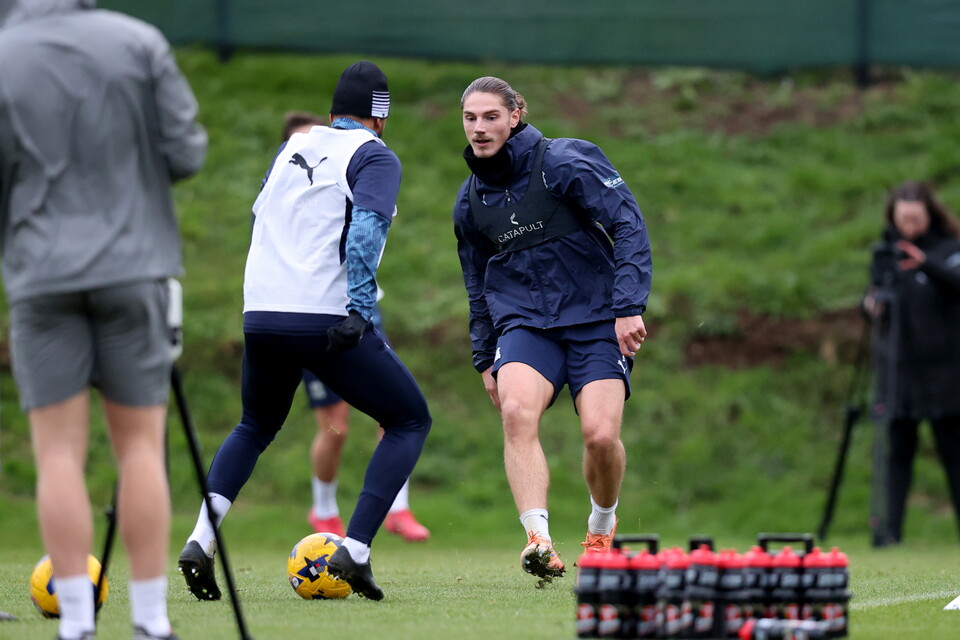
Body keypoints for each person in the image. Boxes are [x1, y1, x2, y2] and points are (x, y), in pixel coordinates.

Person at [178, 60, 431, 602]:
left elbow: (261, 219)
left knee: (254, 425)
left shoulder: (291, 147)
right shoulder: (375, 155)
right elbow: (366, 230)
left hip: (262, 312)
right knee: (409, 419)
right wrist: (359, 307)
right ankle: (356, 550)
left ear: (334, 110)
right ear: (380, 118)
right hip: (323, 314)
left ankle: (201, 538)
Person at [0, 1, 207, 638]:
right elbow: (186, 152)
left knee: (57, 453)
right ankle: (150, 621)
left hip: (41, 274)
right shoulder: (139, 40)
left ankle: (77, 626)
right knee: (140, 446)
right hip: (133, 265)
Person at [452, 77, 652, 583]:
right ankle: (538, 540)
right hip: (525, 324)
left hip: (594, 318)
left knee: (601, 436)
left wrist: (627, 306)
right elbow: (476, 284)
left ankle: (602, 527)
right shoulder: (470, 200)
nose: (479, 128)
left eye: (490, 116)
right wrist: (483, 357)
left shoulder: (564, 161)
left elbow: (628, 222)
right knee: (517, 412)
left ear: (515, 114)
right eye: (471, 118)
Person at [278, 112, 430, 542]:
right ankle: (323, 511)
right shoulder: (281, 200)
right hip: (308, 315)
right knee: (335, 426)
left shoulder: (347, 176)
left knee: (395, 411)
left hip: (362, 312)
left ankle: (398, 508)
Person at [863, 180, 960, 546]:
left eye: (915, 219)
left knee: (953, 453)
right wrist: (870, 306)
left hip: (946, 373)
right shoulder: (886, 254)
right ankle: (890, 533)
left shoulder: (949, 248)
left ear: (929, 215)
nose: (909, 227)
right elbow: (872, 297)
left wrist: (926, 264)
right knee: (898, 452)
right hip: (899, 373)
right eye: (903, 219)